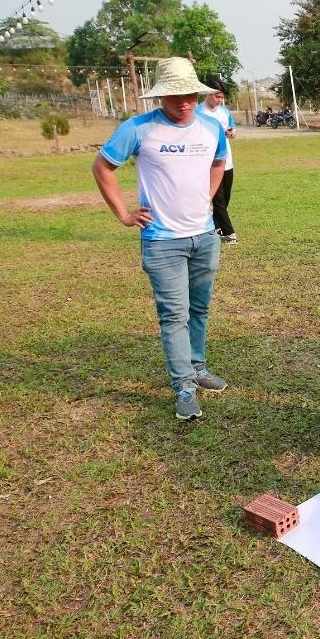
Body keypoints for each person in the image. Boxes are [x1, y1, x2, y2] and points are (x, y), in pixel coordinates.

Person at [93, 58, 230, 421]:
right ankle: (184, 385)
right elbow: (102, 166)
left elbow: (219, 163)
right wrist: (123, 213)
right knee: (174, 315)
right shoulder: (138, 129)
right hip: (162, 241)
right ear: (160, 97)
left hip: (203, 236)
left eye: (188, 95)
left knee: (199, 310)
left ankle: (197, 368)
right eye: (174, 96)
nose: (183, 103)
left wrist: (208, 196)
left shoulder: (211, 128)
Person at [194, 78, 237, 244]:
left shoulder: (225, 112)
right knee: (218, 200)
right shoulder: (197, 113)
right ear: (208, 93)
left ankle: (215, 226)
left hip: (227, 161)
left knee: (225, 198)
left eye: (222, 97)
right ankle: (230, 233)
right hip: (208, 164)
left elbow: (234, 131)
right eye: (217, 96)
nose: (220, 100)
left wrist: (232, 133)